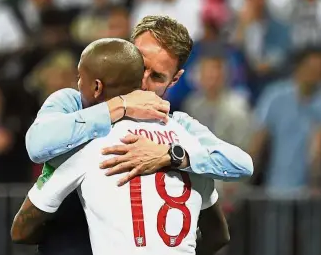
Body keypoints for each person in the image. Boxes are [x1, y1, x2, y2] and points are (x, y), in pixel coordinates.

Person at [24, 15, 253, 255]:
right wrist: (118, 107)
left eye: (156, 76)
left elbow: (241, 163)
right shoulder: (74, 101)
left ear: (175, 79)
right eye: (140, 67)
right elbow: (37, 145)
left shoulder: (175, 126)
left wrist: (172, 155)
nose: (142, 82)